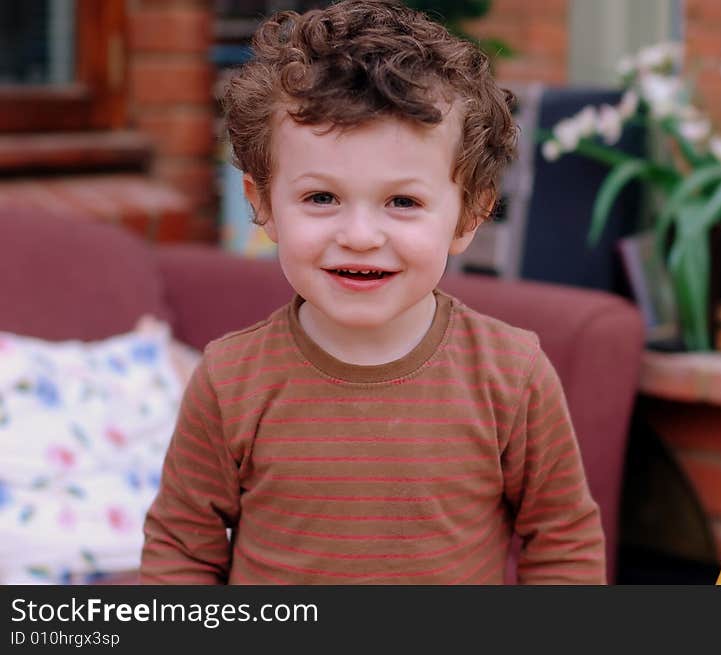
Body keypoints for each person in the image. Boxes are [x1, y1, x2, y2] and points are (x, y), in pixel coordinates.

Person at [140, 0, 605, 585]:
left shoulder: (513, 376)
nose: (359, 236)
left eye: (402, 202)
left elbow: (563, 546)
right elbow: (182, 550)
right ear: (262, 204)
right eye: (321, 198)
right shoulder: (229, 378)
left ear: (468, 219)